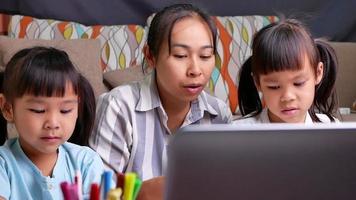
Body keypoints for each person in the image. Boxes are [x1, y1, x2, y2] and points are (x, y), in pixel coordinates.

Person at [89, 3, 232, 183]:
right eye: (180, 55)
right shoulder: (119, 106)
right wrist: (142, 193)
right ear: (150, 56)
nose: (196, 70)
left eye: (205, 56)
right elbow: (99, 190)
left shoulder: (219, 114)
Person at [0, 47, 104, 199]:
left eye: (66, 110)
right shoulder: (3, 164)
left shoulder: (86, 162)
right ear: (8, 109)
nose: (53, 123)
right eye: (38, 110)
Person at [234, 18, 338, 124]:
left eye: (298, 83)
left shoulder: (332, 128)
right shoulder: (238, 132)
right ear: (257, 83)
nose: (287, 97)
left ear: (318, 73)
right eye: (273, 86)